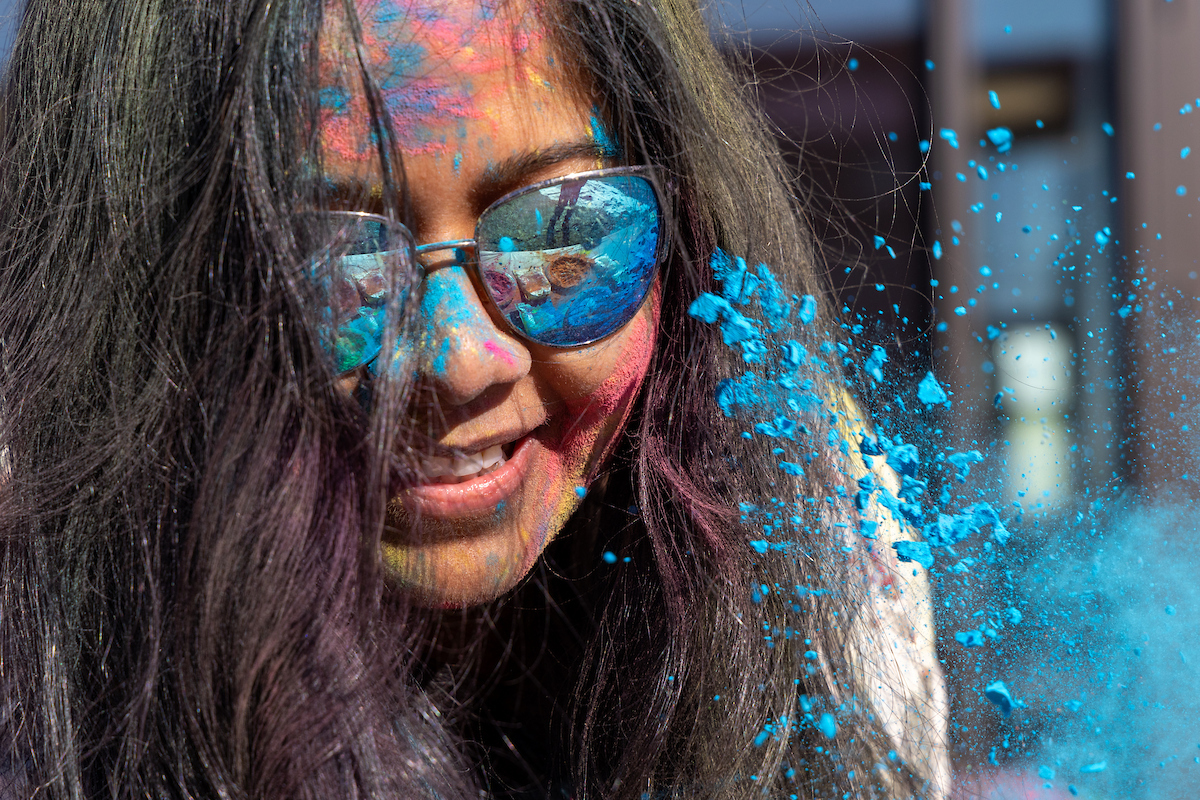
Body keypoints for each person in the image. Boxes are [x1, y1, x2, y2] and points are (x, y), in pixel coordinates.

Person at [0, 0, 947, 797]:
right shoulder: (30, 651)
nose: (458, 359)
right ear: (133, 303)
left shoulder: (809, 530)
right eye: (325, 263)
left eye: (561, 233)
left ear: (687, 237)